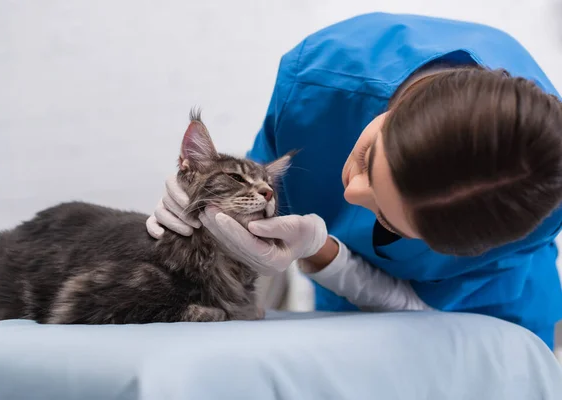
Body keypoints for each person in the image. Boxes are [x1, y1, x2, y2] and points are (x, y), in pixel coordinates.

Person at [146, 12, 562, 350]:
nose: (349, 192)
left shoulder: (532, 199)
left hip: (493, 318)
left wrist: (327, 255)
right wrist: (200, 196)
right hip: (341, 308)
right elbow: (253, 193)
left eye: (387, 221)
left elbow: (424, 315)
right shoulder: (321, 76)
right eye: (367, 157)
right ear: (397, 106)